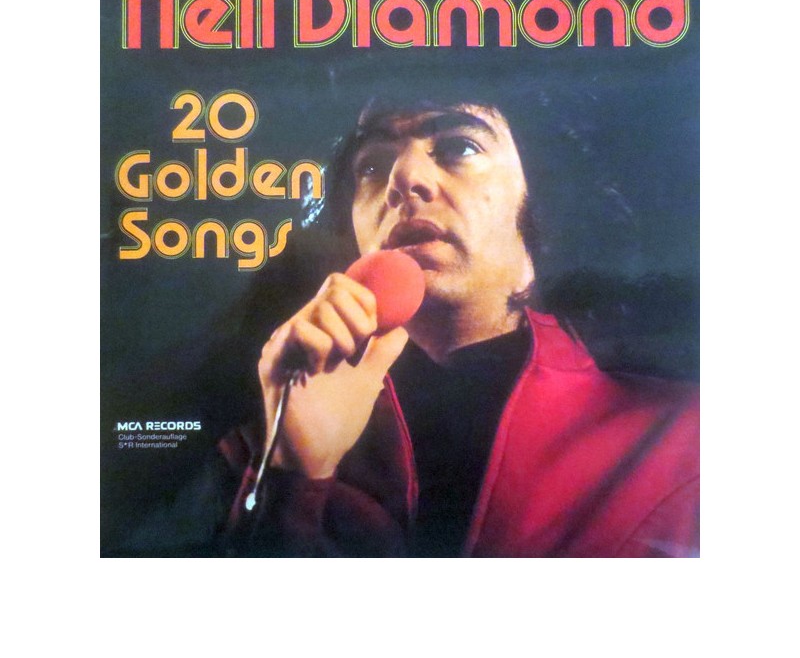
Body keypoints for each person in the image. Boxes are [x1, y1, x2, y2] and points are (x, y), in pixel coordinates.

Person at [220, 96, 700, 558]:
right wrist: (291, 476)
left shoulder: (686, 440)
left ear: (543, 199)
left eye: (458, 147)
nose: (401, 179)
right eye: (372, 165)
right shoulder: (254, 443)